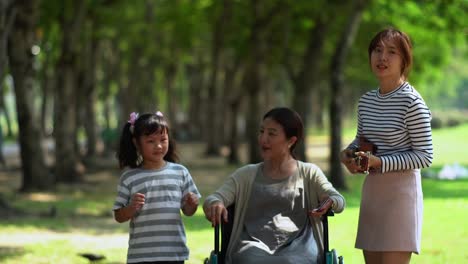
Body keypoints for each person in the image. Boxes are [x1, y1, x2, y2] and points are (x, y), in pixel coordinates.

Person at [203, 107, 345, 264]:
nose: (263, 139)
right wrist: (215, 203)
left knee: (290, 261)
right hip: (253, 246)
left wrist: (330, 201)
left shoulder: (309, 173)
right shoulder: (246, 175)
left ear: (291, 141)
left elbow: (336, 198)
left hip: (299, 247)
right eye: (261, 131)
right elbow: (215, 197)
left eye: (271, 133)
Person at [340, 28, 433, 264]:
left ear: (404, 60)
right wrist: (349, 153)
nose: (382, 58)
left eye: (391, 52)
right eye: (377, 50)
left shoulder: (412, 102)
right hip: (372, 194)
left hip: (401, 196)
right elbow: (362, 139)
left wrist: (380, 162)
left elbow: (424, 156)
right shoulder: (366, 101)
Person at [113, 111, 201, 264]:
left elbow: (188, 212)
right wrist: (130, 208)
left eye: (163, 139)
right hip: (142, 256)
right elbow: (119, 216)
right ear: (136, 143)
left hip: (173, 254)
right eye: (151, 141)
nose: (158, 145)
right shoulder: (129, 177)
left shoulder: (180, 172)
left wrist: (192, 205)